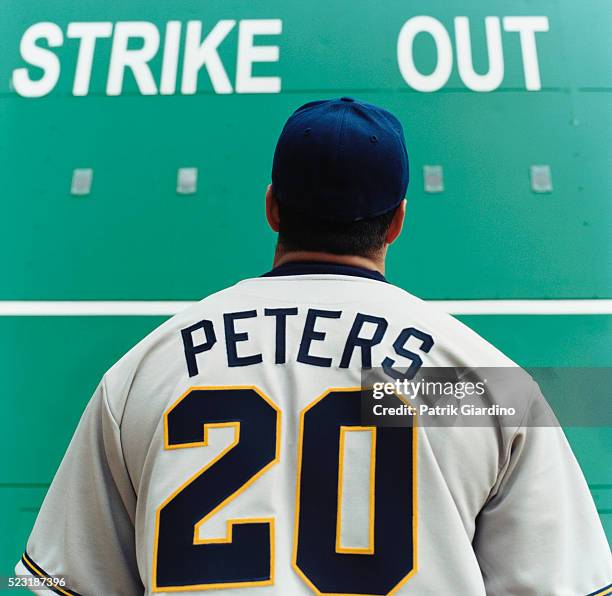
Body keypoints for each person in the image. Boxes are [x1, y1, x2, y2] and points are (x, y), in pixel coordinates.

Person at [16, 97, 611, 595]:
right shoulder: (475, 381)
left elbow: (66, 583)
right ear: (398, 220)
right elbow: (559, 584)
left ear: (272, 207)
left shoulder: (151, 367)